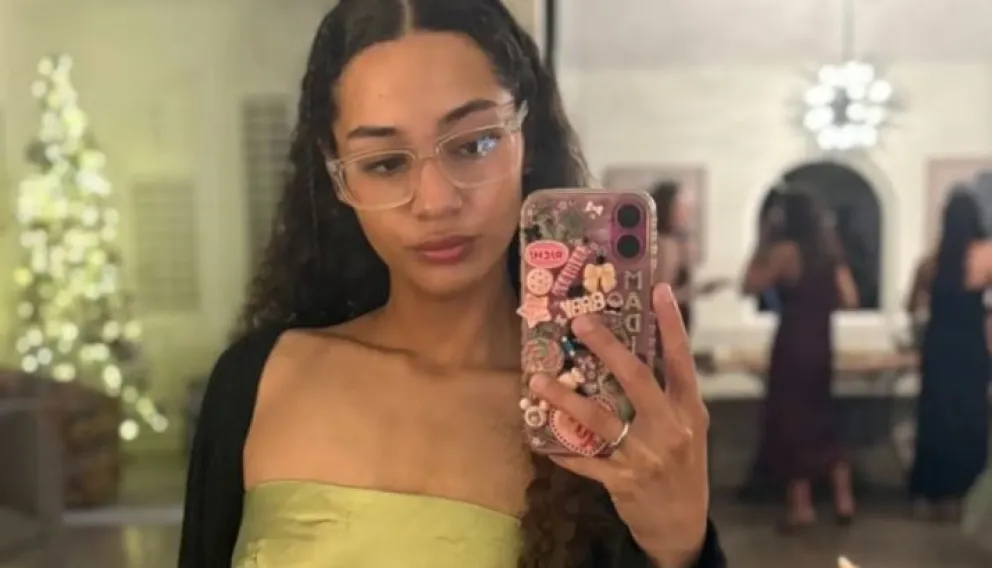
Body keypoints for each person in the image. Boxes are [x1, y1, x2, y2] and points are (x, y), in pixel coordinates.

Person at [178, 1, 725, 567]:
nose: (437, 201)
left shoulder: (598, 417)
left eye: (475, 144)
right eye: (386, 163)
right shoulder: (258, 384)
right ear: (337, 176)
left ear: (527, 137)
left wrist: (681, 546)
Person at [741, 188, 859, 530]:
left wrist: (763, 241)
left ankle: (801, 507)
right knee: (822, 417)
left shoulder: (784, 253)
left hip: (792, 343)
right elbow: (850, 299)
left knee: (791, 421)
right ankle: (844, 500)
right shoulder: (830, 254)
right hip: (821, 343)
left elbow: (749, 286)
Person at [906, 188, 992, 521]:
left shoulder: (931, 262)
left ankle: (933, 491)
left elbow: (911, 305)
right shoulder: (986, 256)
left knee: (936, 417)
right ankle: (965, 490)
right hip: (970, 346)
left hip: (939, 345)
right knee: (969, 417)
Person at [650, 181, 729, 332]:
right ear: (667, 208)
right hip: (664, 327)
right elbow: (660, 297)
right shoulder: (665, 244)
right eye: (682, 207)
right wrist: (696, 291)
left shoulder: (677, 241)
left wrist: (701, 289)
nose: (688, 212)